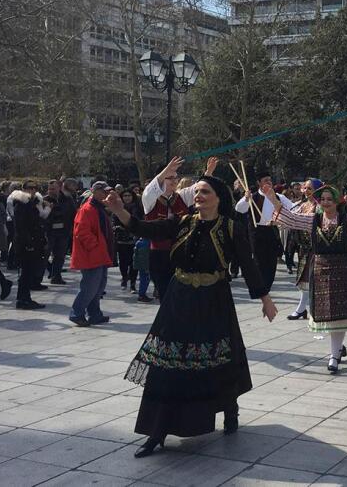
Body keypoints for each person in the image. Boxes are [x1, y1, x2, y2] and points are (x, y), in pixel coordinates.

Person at [104, 174, 278, 458]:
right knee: (167, 363)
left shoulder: (231, 228)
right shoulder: (183, 222)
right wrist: (120, 211)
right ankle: (157, 431)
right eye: (196, 192)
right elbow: (147, 229)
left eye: (205, 192)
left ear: (219, 198)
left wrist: (265, 298)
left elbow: (248, 265)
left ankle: (229, 409)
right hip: (178, 300)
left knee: (218, 359)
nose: (198, 196)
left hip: (214, 302)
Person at [269, 183, 347, 373]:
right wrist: (272, 199)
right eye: (322, 199)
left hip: (343, 269)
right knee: (327, 314)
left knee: (339, 315)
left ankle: (334, 356)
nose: (325, 203)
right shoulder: (313, 220)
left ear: (337, 202)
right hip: (321, 270)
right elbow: (291, 219)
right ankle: (338, 349)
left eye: (329, 199)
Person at [142, 157, 215, 300]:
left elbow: (198, 188)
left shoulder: (181, 197)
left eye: (176, 178)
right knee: (165, 292)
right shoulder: (150, 200)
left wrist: (208, 172)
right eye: (170, 178)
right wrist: (164, 173)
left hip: (182, 252)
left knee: (182, 292)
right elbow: (150, 190)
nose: (175, 181)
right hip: (160, 254)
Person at [235, 168, 294, 295]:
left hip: (272, 230)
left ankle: (267, 285)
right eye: (265, 180)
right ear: (259, 183)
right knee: (259, 260)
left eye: (270, 180)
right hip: (257, 231)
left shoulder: (279, 197)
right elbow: (239, 209)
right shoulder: (253, 196)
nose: (269, 182)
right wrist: (246, 198)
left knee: (272, 260)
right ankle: (261, 286)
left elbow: (293, 208)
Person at [69, 182, 116, 327]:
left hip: (100, 254)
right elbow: (81, 232)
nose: (105, 194)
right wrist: (95, 246)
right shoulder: (88, 209)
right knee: (90, 287)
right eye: (103, 191)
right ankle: (77, 313)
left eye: (106, 191)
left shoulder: (99, 208)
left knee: (99, 287)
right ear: (95, 191)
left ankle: (95, 314)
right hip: (92, 255)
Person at [9, 181, 49, 310]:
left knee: (30, 271)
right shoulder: (21, 204)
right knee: (26, 272)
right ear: (23, 189)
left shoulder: (33, 203)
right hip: (26, 243)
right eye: (29, 188)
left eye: (34, 188)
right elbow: (21, 227)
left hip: (34, 241)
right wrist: (28, 243)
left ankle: (25, 298)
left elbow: (38, 221)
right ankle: (23, 299)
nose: (32, 190)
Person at [286, 178, 321, 320]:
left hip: (316, 248)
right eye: (304, 188)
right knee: (305, 279)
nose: (306, 191)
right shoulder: (302, 204)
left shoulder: (319, 206)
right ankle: (303, 309)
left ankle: (311, 309)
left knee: (314, 279)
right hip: (304, 247)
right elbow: (293, 217)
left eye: (309, 188)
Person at [44, 179, 77, 285]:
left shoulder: (68, 199)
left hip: (63, 232)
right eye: (49, 189)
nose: (50, 191)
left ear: (59, 188)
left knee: (60, 256)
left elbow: (73, 214)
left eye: (53, 189)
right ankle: (38, 278)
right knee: (44, 254)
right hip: (49, 232)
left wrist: (73, 229)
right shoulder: (44, 200)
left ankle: (56, 276)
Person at [133, 237, 152, 302]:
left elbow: (135, 256)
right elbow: (146, 257)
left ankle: (142, 294)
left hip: (141, 265)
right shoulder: (147, 243)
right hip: (145, 265)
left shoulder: (138, 242)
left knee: (143, 279)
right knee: (145, 279)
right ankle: (142, 295)